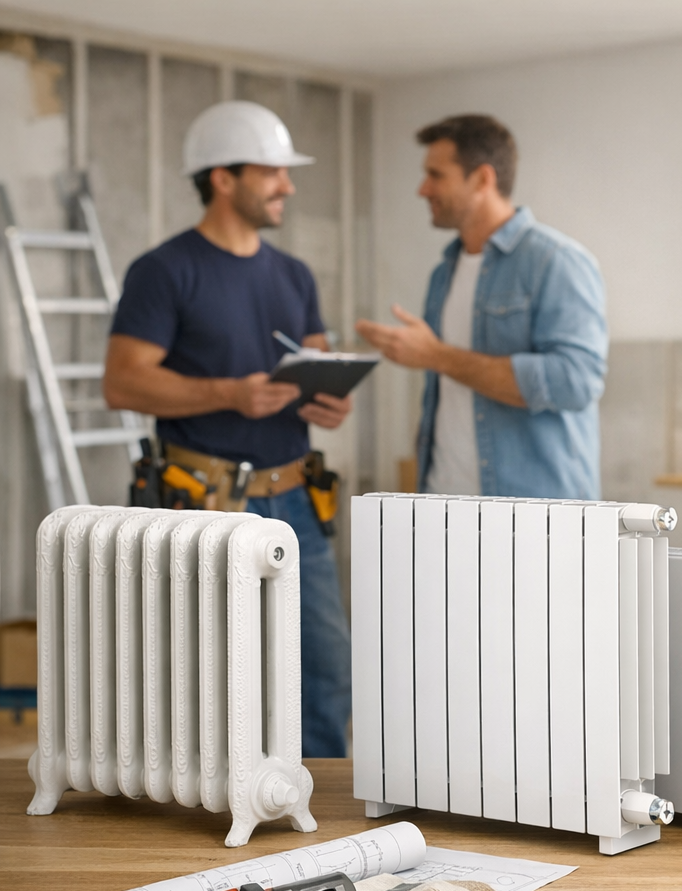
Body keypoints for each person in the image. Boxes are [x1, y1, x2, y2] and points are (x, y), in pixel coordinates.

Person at [103, 100, 352, 757]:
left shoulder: (294, 275)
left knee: (325, 673)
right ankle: (211, 808)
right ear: (222, 177)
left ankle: (313, 812)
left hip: (299, 500)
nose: (287, 188)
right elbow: (123, 381)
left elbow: (317, 362)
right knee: (208, 680)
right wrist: (228, 394)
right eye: (272, 172)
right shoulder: (163, 271)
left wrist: (327, 401)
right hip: (204, 503)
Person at [355, 114, 607, 499]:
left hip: (533, 522)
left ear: (482, 179)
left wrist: (437, 356)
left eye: (436, 175)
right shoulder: (445, 272)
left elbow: (576, 381)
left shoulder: (556, 262)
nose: (423, 189)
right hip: (445, 509)